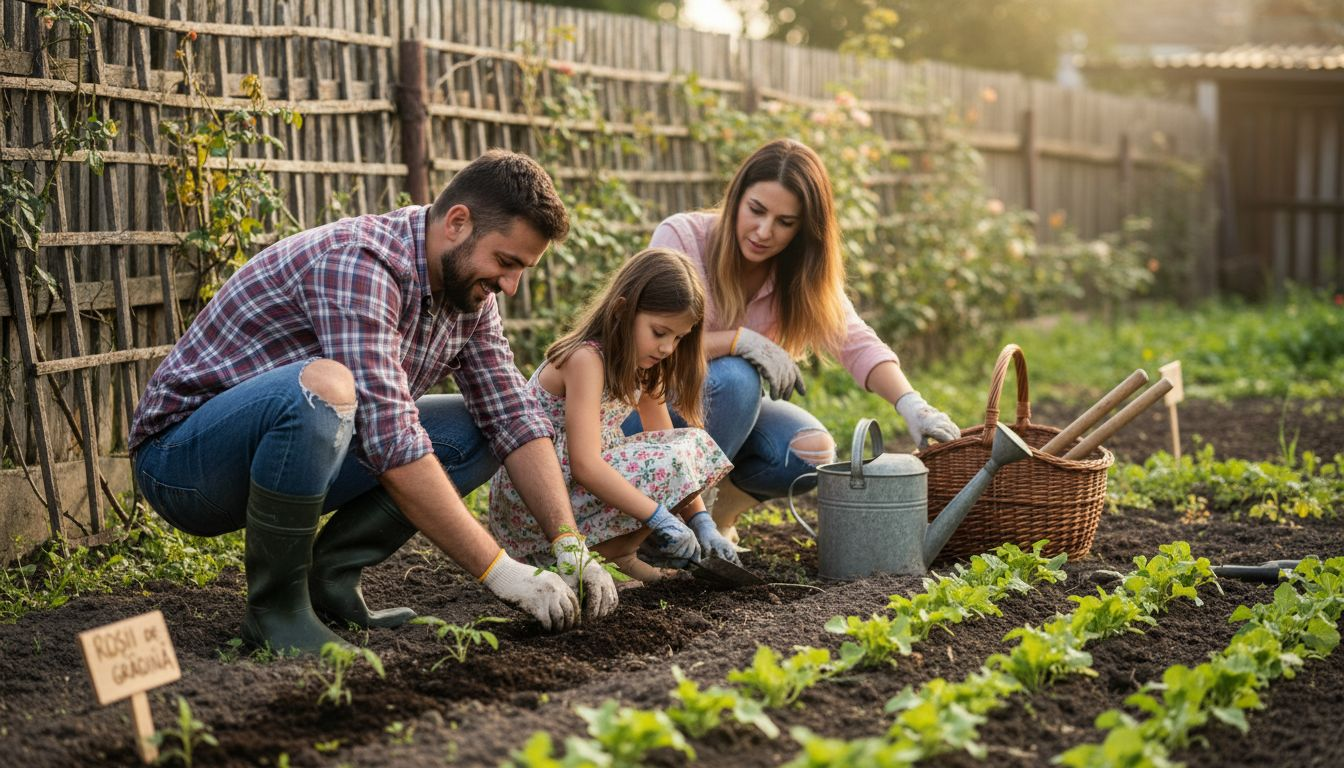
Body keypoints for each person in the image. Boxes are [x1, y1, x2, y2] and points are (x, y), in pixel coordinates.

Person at [129, 150, 618, 654]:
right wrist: (500, 571)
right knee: (326, 386)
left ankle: (331, 577)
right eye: (506, 262)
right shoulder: (359, 261)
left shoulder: (468, 295)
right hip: (185, 464)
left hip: (292, 451)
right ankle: (275, 610)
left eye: (523, 270)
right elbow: (390, 436)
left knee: (479, 428)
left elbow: (513, 415)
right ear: (457, 223)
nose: (510, 286)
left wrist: (568, 543)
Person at [627, 138, 960, 543]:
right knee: (736, 377)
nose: (764, 232)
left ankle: (715, 518)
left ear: (804, 228)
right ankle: (664, 523)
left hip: (723, 413)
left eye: (785, 222)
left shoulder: (797, 274)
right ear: (736, 198)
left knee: (811, 451)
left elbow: (854, 339)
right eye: (756, 211)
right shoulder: (683, 238)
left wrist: (911, 403)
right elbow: (644, 348)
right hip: (647, 412)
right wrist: (737, 340)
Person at [488, 248, 736, 584]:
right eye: (660, 332)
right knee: (669, 458)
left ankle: (621, 557)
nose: (667, 348)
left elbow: (670, 453)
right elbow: (585, 465)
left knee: (689, 446)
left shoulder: (647, 368)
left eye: (678, 338)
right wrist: (660, 518)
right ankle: (608, 557)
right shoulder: (586, 360)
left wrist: (701, 521)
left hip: (579, 487)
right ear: (623, 310)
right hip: (539, 505)